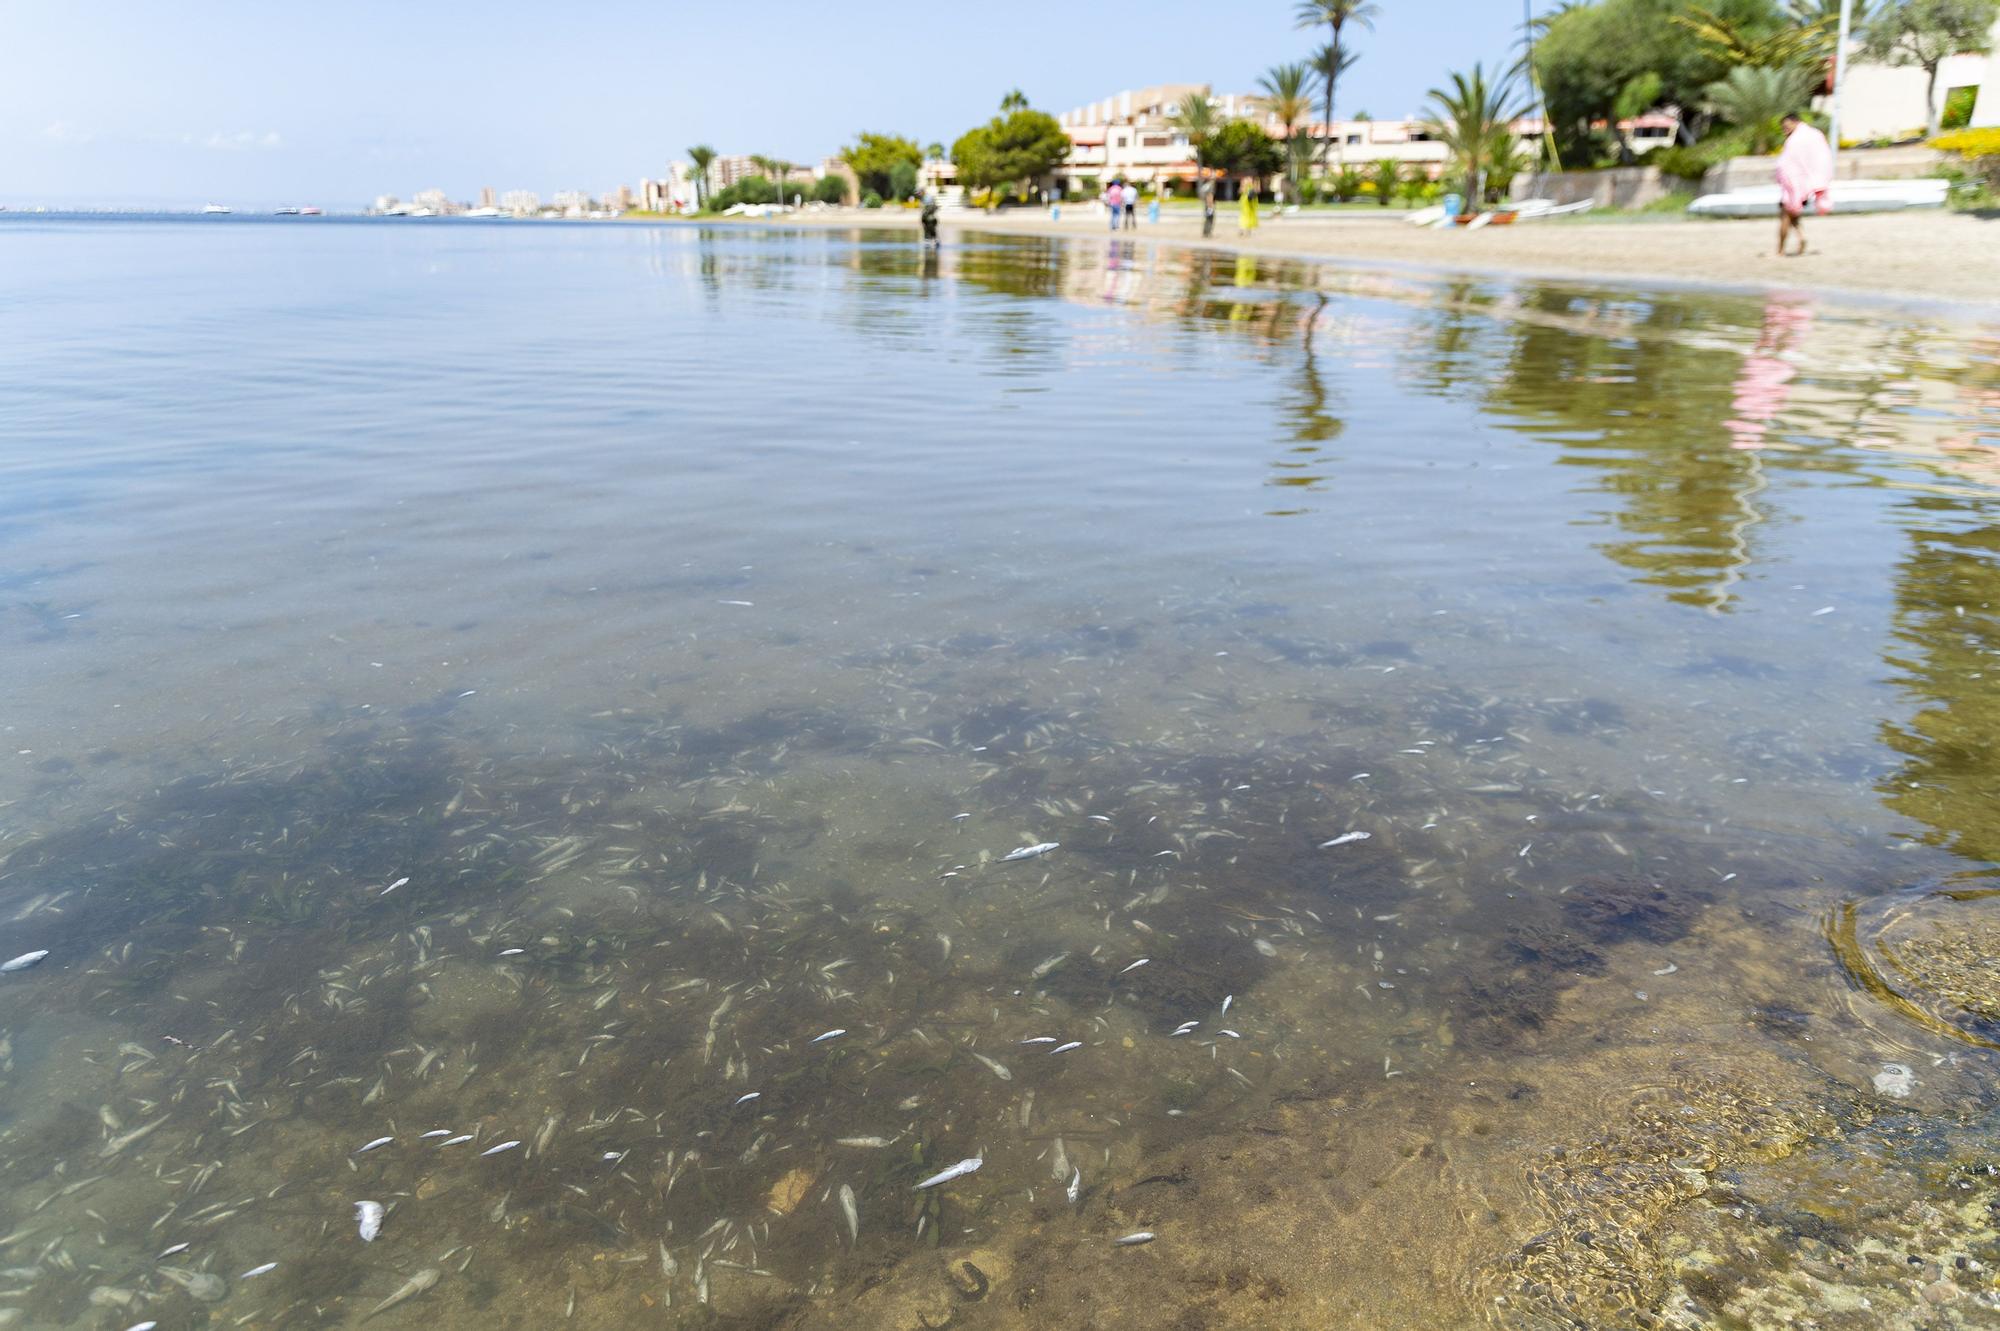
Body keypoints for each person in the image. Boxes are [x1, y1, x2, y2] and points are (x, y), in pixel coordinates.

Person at [1774, 113, 1833, 257]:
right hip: (1807, 184)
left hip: (1794, 185)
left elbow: (1788, 164)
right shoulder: (1815, 135)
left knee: (1785, 217)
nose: (1785, 129)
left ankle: (1780, 251)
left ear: (1795, 122)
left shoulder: (1795, 140)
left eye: (1786, 126)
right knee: (1794, 215)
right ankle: (1801, 236)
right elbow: (1823, 157)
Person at [1198, 171, 1217, 238]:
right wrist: (1211, 206)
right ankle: (1208, 233)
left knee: (1206, 219)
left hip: (1206, 204)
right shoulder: (1211, 186)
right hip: (1209, 205)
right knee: (1210, 219)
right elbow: (1210, 196)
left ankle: (1205, 232)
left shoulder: (1206, 185)